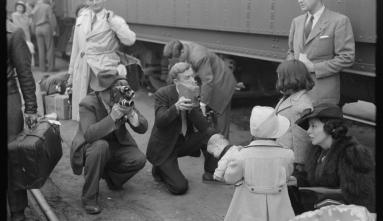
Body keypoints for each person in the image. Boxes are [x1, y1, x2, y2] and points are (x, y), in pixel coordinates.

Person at [70, 74, 147, 214]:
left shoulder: (122, 98)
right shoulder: (87, 103)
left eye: (119, 91)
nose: (117, 96)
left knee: (138, 159)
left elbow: (143, 127)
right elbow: (89, 135)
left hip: (115, 143)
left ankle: (111, 179)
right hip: (92, 145)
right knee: (100, 147)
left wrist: (132, 115)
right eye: (114, 92)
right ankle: (89, 198)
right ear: (101, 92)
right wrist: (112, 117)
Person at [146, 62, 218, 195]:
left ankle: (210, 173)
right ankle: (159, 168)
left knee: (211, 134)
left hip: (181, 141)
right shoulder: (163, 93)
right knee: (180, 188)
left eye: (192, 76)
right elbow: (160, 121)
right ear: (176, 81)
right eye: (187, 78)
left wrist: (194, 108)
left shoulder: (193, 92)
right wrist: (176, 108)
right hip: (164, 147)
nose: (192, 80)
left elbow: (204, 127)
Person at [291, 103, 375, 213]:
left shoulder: (352, 154)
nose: (308, 131)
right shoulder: (317, 152)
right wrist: (296, 180)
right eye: (309, 126)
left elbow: (359, 197)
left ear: (330, 127)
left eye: (314, 126)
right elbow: (313, 180)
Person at [67, 0, 136, 121]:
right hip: (83, 69)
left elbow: (130, 39)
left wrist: (113, 23)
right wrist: (71, 74)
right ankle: (87, 134)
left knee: (106, 110)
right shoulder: (81, 19)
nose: (94, 2)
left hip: (103, 71)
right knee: (85, 109)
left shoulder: (113, 19)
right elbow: (76, 49)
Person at [223, 106, 295, 221]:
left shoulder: (242, 155)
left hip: (248, 211)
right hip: (279, 211)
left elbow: (229, 178)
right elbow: (286, 176)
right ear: (276, 131)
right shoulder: (287, 154)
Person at [163, 40, 237, 139]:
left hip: (221, 84)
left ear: (182, 52)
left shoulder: (199, 57)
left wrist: (203, 104)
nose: (179, 62)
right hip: (211, 82)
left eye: (178, 59)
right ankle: (214, 143)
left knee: (221, 121)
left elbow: (207, 80)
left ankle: (224, 150)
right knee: (212, 118)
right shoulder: (181, 46)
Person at [287, 0, 355, 105]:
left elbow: (347, 57)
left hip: (322, 98)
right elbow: (291, 51)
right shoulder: (296, 21)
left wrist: (314, 68)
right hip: (297, 93)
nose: (299, 0)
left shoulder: (339, 21)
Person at [7, 19, 38, 221]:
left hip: (8, 98)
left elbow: (25, 72)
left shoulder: (13, 33)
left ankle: (18, 211)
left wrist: (31, 108)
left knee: (12, 157)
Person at [274, 59, 314, 166]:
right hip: (281, 153)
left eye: (279, 76)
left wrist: (299, 164)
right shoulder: (289, 97)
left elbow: (301, 138)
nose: (278, 78)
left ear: (289, 78)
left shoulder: (301, 105)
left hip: (290, 161)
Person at [30, 0, 57, 72]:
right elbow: (51, 18)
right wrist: (54, 29)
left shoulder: (35, 7)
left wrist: (33, 30)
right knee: (50, 48)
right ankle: (51, 68)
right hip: (46, 27)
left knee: (41, 49)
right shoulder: (47, 6)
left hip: (37, 28)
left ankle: (42, 68)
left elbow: (32, 20)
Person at [12, 1, 35, 66]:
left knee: (28, 48)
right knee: (19, 48)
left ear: (23, 8)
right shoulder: (14, 15)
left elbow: (29, 23)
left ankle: (28, 63)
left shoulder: (26, 15)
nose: (19, 8)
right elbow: (17, 24)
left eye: (21, 7)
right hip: (19, 33)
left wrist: (29, 18)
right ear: (16, 7)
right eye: (18, 7)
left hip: (27, 34)